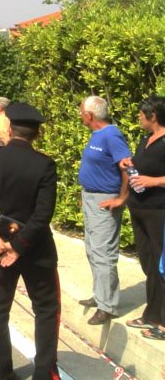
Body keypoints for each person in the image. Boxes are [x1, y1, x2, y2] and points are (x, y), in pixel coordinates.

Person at [0, 101, 59, 380]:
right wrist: (18, 247)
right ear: (37, 134)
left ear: (9, 128)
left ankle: (1, 374)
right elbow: (43, 214)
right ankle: (44, 372)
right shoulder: (45, 164)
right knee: (45, 309)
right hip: (36, 249)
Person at [77, 95, 131, 325]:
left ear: (90, 115)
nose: (80, 115)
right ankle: (100, 296)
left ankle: (107, 306)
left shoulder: (111, 135)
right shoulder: (97, 134)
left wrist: (122, 198)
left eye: (82, 112)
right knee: (92, 249)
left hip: (105, 200)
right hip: (91, 198)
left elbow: (128, 166)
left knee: (103, 253)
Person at [120, 95, 165, 340]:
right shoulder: (146, 139)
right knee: (148, 264)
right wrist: (130, 163)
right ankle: (151, 314)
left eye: (141, 113)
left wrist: (154, 181)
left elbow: (156, 176)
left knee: (161, 266)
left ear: (153, 116)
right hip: (139, 209)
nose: (138, 117)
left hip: (159, 211)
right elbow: (141, 165)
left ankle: (162, 321)